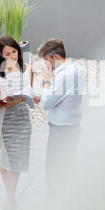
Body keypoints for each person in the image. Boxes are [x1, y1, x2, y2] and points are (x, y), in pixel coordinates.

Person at [0, 36, 39, 210]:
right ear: (1, 56)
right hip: (6, 122)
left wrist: (33, 98)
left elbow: (30, 93)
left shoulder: (28, 70)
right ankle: (10, 203)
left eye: (14, 51)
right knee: (10, 162)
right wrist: (14, 100)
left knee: (16, 164)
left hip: (24, 121)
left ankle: (10, 200)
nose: (12, 55)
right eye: (7, 53)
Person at [37, 38, 85, 201]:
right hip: (73, 127)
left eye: (47, 61)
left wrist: (46, 81)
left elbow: (46, 103)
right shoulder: (77, 69)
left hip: (60, 131)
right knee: (68, 167)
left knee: (54, 172)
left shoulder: (63, 76)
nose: (47, 66)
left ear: (56, 57)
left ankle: (55, 208)